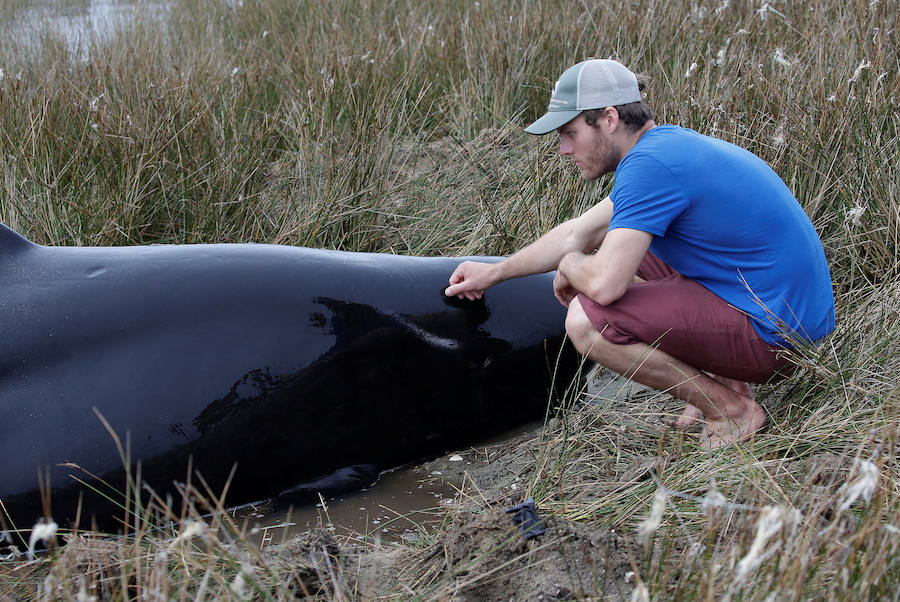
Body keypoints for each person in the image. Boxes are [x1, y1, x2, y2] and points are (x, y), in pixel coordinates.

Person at [445, 59, 835, 449]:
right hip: (782, 314)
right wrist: (494, 273)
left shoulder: (650, 168)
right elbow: (577, 232)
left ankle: (731, 412)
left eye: (570, 133)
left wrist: (572, 266)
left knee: (586, 321)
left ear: (609, 118)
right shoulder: (664, 149)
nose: (564, 150)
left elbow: (605, 285)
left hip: (778, 337)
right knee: (624, 253)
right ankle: (727, 384)